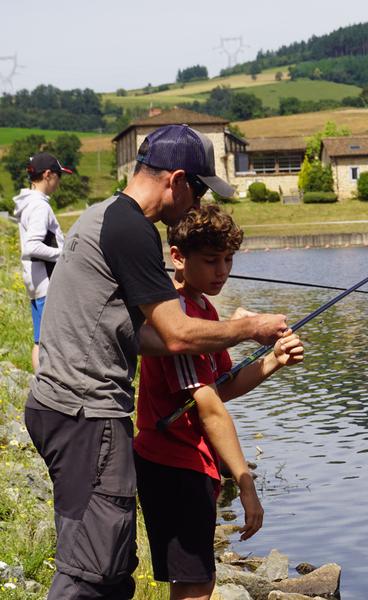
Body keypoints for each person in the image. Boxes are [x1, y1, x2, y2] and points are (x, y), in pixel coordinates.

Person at [24, 125, 290, 600]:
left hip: (61, 407)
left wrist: (259, 357)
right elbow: (176, 333)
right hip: (86, 412)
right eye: (201, 189)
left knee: (106, 562)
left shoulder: (103, 215)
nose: (199, 203)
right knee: (93, 571)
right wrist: (251, 328)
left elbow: (138, 335)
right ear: (179, 179)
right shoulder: (132, 230)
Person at [134, 204, 303, 600]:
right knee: (194, 584)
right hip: (173, 463)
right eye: (211, 261)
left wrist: (274, 360)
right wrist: (245, 482)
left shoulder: (204, 309)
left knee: (199, 579)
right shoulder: (177, 317)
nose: (222, 271)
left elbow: (221, 386)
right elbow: (209, 407)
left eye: (228, 260)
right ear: (177, 257)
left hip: (189, 462)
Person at [11, 152, 71, 371]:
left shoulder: (27, 203)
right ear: (47, 175)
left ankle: (39, 386)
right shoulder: (40, 207)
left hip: (34, 282)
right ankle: (49, 389)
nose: (59, 182)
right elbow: (32, 246)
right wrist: (64, 255)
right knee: (53, 341)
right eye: (58, 176)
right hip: (47, 282)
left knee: (39, 340)